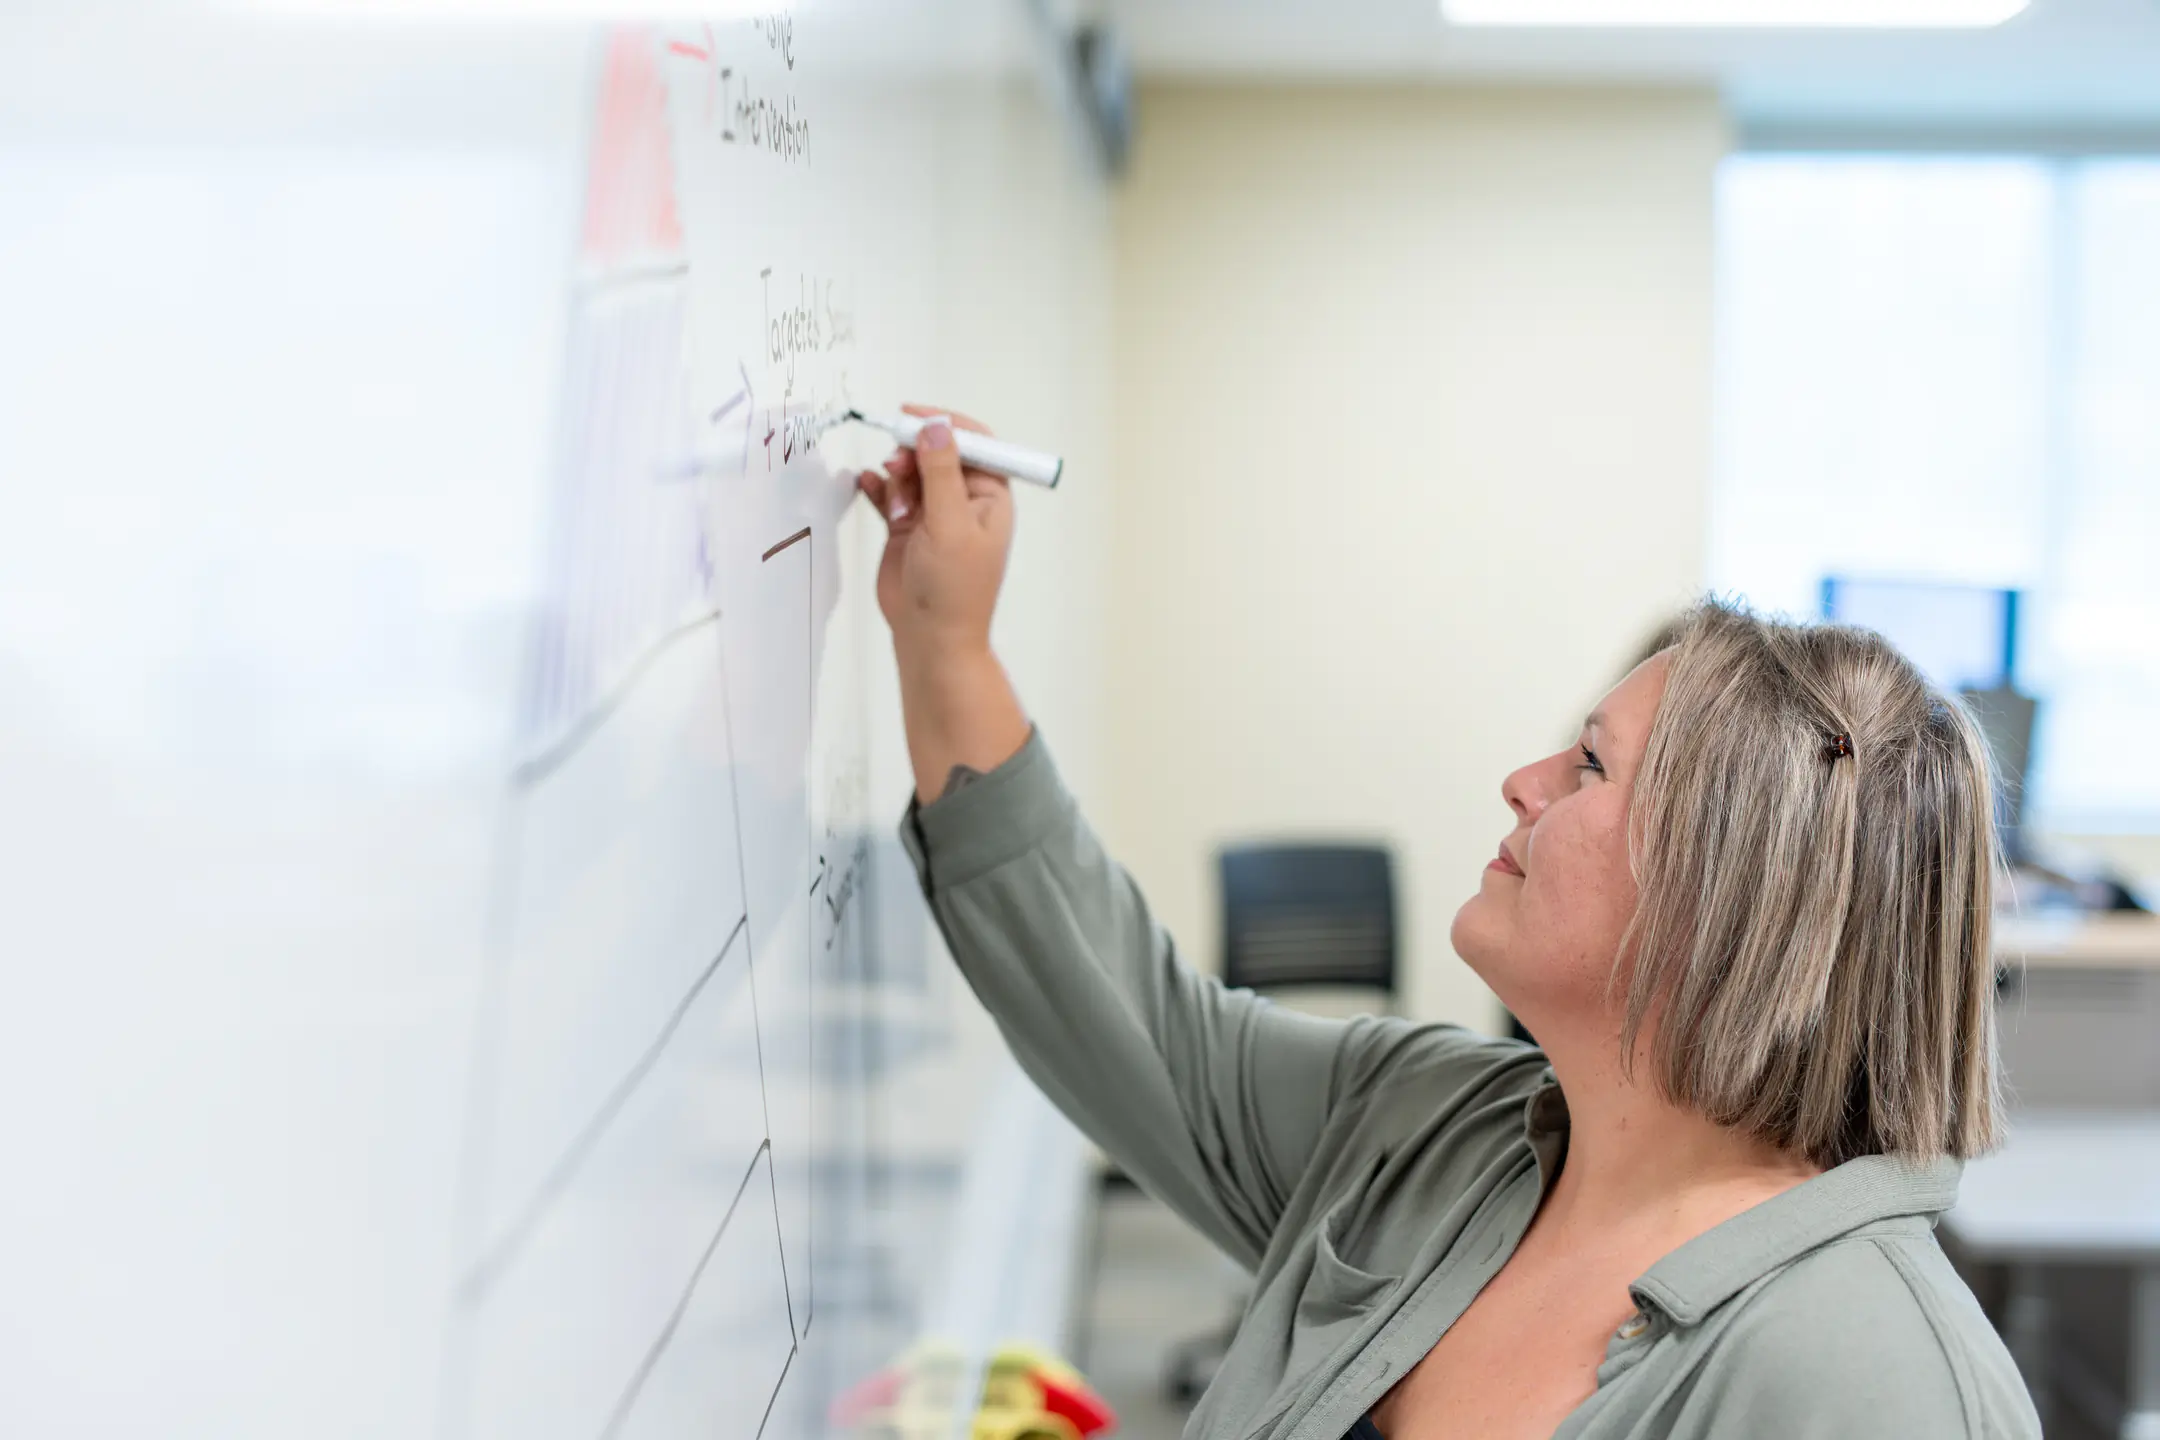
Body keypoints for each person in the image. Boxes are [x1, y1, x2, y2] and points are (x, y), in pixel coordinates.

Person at [856, 409, 2040, 1440]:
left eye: (1587, 766)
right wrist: (944, 641)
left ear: (1729, 885)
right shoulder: (1426, 1130)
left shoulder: (1885, 1385)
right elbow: (1133, 1021)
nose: (1523, 781)